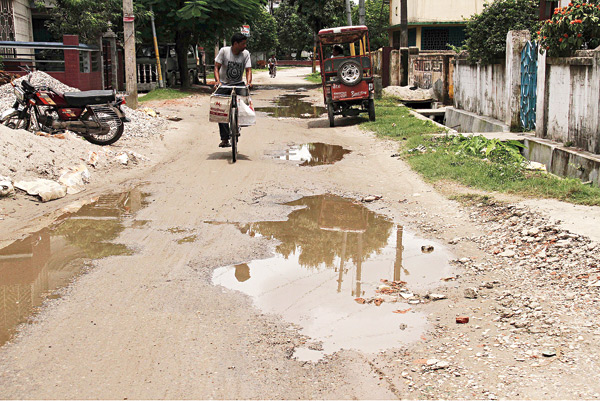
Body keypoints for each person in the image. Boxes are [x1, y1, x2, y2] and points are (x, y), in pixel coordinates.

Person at [214, 32, 253, 148]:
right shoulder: (224, 51)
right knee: (220, 109)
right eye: (243, 44)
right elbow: (216, 67)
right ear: (235, 44)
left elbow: (248, 70)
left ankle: (240, 122)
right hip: (224, 84)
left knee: (246, 102)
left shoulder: (245, 54)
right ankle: (225, 138)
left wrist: (249, 83)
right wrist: (217, 81)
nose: (245, 46)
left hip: (239, 83)